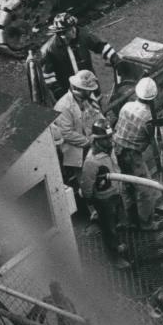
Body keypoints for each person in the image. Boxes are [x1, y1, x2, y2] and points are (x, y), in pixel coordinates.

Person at [113, 77, 163, 232]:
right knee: (145, 191)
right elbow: (157, 140)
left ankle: (131, 220)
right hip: (131, 155)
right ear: (153, 98)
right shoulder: (149, 117)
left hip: (116, 150)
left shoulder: (127, 106)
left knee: (127, 185)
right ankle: (147, 224)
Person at [79, 122, 131, 270]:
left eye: (110, 137)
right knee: (109, 229)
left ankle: (118, 246)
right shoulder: (92, 161)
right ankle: (115, 258)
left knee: (118, 222)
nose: (110, 141)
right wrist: (91, 200)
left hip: (116, 193)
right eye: (105, 139)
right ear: (96, 140)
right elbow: (87, 184)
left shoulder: (109, 150)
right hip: (104, 200)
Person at [53, 69, 103, 218]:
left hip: (92, 144)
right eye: (87, 91)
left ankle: (102, 201)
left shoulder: (88, 99)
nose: (90, 93)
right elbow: (66, 133)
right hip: (77, 150)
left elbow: (97, 114)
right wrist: (89, 142)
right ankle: (92, 209)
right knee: (85, 180)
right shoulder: (63, 107)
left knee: (98, 174)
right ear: (78, 89)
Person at [40, 13, 121, 102]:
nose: (74, 30)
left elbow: (100, 45)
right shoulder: (50, 50)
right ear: (62, 33)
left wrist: (114, 58)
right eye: (70, 30)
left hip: (89, 83)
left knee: (96, 105)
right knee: (77, 112)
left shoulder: (82, 35)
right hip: (69, 89)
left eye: (74, 27)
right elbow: (48, 77)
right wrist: (60, 94)